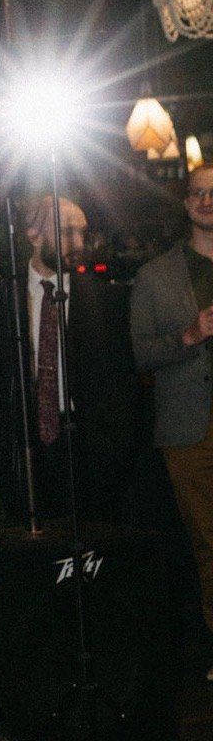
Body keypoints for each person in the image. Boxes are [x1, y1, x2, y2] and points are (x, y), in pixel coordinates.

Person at [0, 192, 141, 523]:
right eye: (67, 232)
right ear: (34, 235)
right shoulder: (1, 296)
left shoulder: (106, 299)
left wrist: (117, 449)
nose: (78, 242)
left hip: (87, 446)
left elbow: (122, 382)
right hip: (26, 448)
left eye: (83, 232)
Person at [131, 160, 213, 653]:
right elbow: (141, 353)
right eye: (198, 193)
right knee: (209, 546)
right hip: (189, 429)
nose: (207, 200)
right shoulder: (155, 276)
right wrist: (190, 334)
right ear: (186, 204)